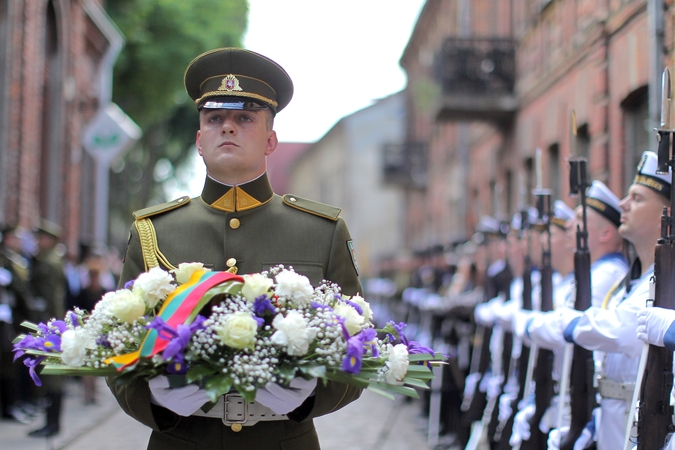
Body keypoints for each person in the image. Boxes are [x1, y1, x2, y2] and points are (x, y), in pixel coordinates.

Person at [107, 48, 362, 450]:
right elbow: (115, 345)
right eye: (214, 118)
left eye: (244, 118)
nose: (227, 127)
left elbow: (358, 347)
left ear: (271, 139)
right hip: (181, 440)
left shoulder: (322, 231)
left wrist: (308, 399)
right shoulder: (153, 230)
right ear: (198, 139)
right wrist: (155, 402)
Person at [549, 152, 669, 450]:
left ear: (667, 213)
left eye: (637, 199)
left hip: (638, 419)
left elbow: (625, 330)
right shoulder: (630, 282)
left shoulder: (663, 280)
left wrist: (568, 322)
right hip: (614, 419)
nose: (623, 205)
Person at [28, 219, 67, 437]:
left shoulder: (50, 263)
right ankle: (50, 423)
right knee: (48, 373)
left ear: (51, 241)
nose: (38, 241)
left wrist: (52, 326)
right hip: (48, 323)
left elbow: (54, 298)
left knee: (52, 375)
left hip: (49, 325)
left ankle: (53, 425)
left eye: (42, 238)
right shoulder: (47, 260)